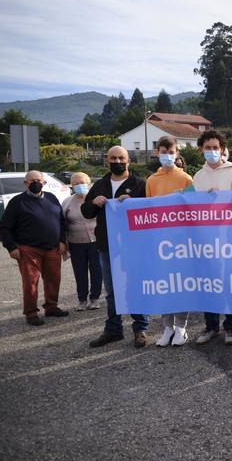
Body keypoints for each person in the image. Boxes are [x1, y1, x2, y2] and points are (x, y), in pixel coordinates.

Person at [83, 146, 149, 348]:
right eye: (113, 158)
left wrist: (134, 203)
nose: (117, 161)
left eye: (121, 158)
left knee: (134, 287)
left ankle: (140, 329)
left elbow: (149, 212)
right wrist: (93, 202)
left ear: (128, 161)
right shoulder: (100, 185)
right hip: (106, 246)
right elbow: (86, 212)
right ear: (107, 161)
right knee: (111, 291)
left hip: (133, 246)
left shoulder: (139, 184)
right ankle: (113, 330)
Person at [192, 130, 232, 346]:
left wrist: (227, 197)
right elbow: (192, 209)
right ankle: (211, 326)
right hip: (206, 240)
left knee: (228, 283)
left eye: (216, 147)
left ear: (222, 149)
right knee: (208, 283)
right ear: (201, 150)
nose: (212, 151)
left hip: (229, 238)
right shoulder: (198, 176)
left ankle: (231, 326)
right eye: (208, 148)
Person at [0, 170, 69, 326]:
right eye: (31, 180)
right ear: (25, 183)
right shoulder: (17, 202)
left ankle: (51, 307)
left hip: (52, 248)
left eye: (38, 180)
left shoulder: (51, 198)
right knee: (31, 282)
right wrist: (11, 247)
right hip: (28, 250)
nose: (35, 183)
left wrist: (62, 241)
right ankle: (31, 313)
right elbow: (4, 227)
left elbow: (61, 221)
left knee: (53, 280)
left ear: (44, 182)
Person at [146, 135, 194, 347]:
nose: (167, 156)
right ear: (157, 153)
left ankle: (181, 327)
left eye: (171, 152)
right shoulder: (151, 180)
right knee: (164, 285)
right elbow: (146, 211)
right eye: (163, 152)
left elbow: (194, 211)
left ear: (177, 154)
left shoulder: (187, 179)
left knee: (181, 284)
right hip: (159, 241)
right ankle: (167, 327)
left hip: (181, 243)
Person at [62, 172, 102, 311]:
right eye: (76, 183)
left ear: (89, 183)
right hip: (75, 243)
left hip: (96, 242)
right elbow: (63, 223)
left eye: (82, 182)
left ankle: (95, 299)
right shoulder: (67, 202)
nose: (79, 186)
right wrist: (64, 244)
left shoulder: (96, 200)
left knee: (97, 271)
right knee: (80, 273)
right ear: (72, 186)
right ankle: (82, 300)